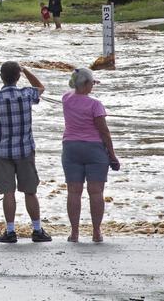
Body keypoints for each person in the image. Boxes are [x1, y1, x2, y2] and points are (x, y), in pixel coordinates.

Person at [0, 61, 52, 244]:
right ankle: (36, 229)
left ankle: (11, 231)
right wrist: (25, 69)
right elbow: (40, 87)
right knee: (30, 191)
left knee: (8, 193)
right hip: (25, 149)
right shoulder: (26, 94)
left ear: (1, 77)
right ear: (18, 77)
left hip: (1, 151)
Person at [62, 68, 119, 243]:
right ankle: (96, 232)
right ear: (86, 84)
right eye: (92, 83)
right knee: (95, 192)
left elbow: (74, 92)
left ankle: (75, 233)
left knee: (73, 192)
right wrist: (113, 155)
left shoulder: (66, 99)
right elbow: (104, 132)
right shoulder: (95, 105)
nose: (93, 85)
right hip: (94, 149)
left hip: (71, 147)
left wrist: (83, 81)